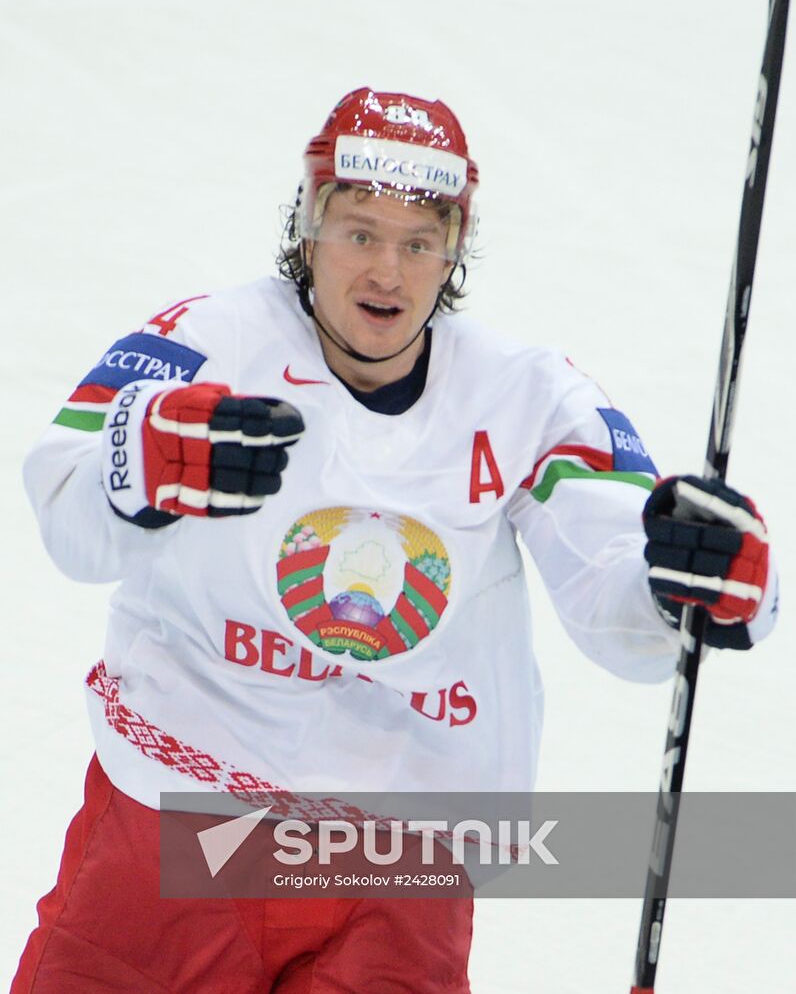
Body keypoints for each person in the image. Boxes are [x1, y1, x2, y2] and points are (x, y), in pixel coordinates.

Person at [13, 87, 777, 993]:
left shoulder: (528, 396)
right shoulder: (201, 345)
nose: (388, 272)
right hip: (180, 831)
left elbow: (623, 595)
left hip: (398, 868)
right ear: (308, 230)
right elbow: (66, 507)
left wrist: (691, 585)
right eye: (361, 233)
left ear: (454, 252)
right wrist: (136, 471)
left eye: (420, 243)